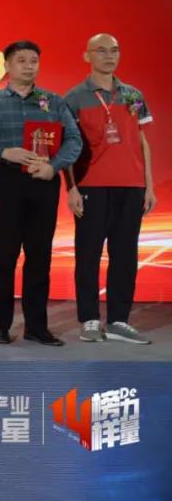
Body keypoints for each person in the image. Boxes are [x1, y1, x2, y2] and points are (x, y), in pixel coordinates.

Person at [0, 40, 81, 346]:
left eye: (34, 60)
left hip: (43, 183)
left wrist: (53, 167)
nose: (29, 66)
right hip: (7, 183)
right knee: (3, 256)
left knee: (39, 256)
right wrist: (4, 152)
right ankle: (0, 325)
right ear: (7, 65)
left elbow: (74, 140)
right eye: (21, 60)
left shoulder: (53, 102)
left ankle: (36, 326)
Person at [63, 33, 155, 344]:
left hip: (131, 186)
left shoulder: (133, 95)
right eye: (101, 51)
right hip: (92, 186)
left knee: (125, 255)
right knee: (88, 254)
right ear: (87, 56)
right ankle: (89, 319)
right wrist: (71, 189)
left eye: (114, 50)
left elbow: (142, 139)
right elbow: (67, 148)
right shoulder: (74, 98)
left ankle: (118, 321)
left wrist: (149, 186)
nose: (109, 56)